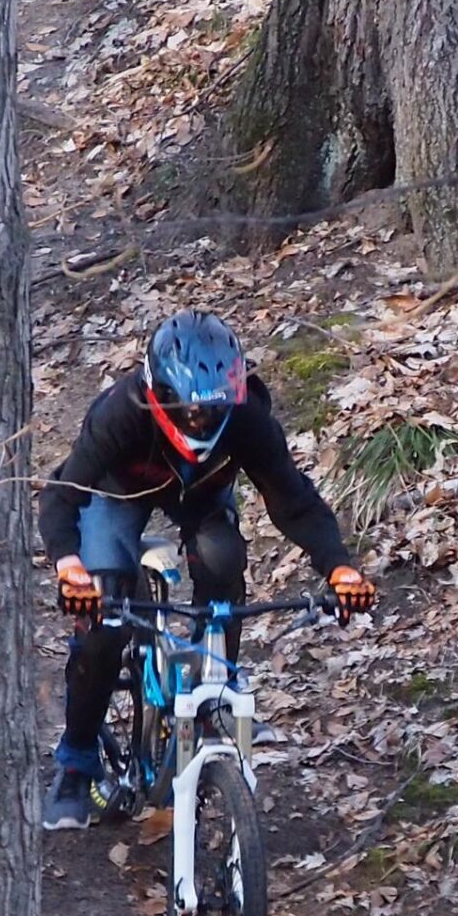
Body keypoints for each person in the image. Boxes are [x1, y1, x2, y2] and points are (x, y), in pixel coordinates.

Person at [37, 311, 377, 830]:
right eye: (190, 411)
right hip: (118, 492)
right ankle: (76, 762)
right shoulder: (120, 415)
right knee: (105, 618)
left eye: (212, 413)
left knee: (223, 563)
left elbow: (293, 501)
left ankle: (215, 693)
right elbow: (63, 497)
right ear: (158, 394)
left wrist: (340, 569)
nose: (200, 423)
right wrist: (69, 566)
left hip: (201, 495)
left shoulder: (247, 419)